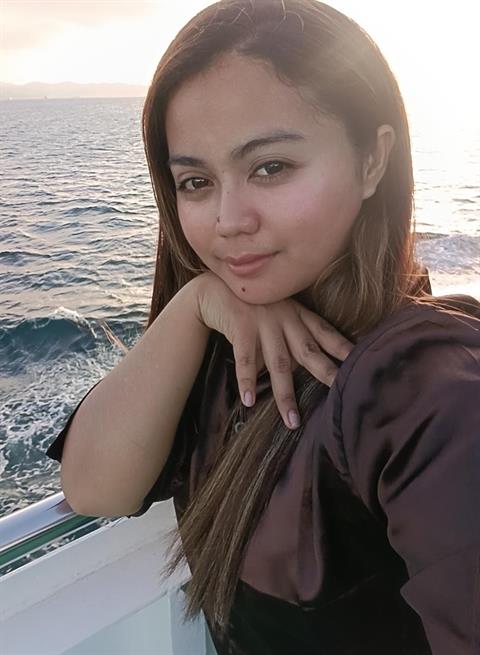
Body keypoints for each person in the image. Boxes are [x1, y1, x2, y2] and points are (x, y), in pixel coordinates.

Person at [46, 1, 480, 653]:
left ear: (371, 159)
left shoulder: (422, 381)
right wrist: (197, 301)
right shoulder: (226, 350)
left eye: (271, 167)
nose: (229, 220)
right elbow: (94, 487)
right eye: (196, 181)